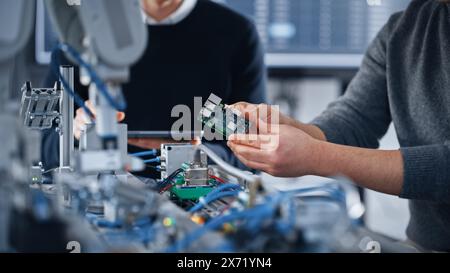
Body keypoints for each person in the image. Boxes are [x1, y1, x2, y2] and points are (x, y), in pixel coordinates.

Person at [227, 0, 450, 252]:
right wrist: (293, 129)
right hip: (422, 244)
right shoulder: (405, 28)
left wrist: (314, 156)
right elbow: (354, 119)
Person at [42, 0, 266, 173]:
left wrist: (198, 155)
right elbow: (47, 151)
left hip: (200, 197)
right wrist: (76, 132)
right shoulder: (83, 35)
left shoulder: (236, 35)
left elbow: (255, 150)